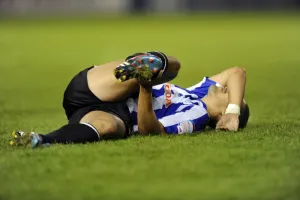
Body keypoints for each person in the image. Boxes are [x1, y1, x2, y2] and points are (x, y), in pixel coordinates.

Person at [10, 51, 249, 148]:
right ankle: (143, 65)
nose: (227, 89)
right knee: (172, 67)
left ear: (219, 116)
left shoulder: (196, 116)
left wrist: (147, 88)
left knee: (107, 127)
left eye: (231, 97)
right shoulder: (199, 91)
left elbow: (151, 132)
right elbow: (237, 72)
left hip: (115, 114)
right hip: (103, 89)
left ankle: (40, 140)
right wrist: (234, 109)